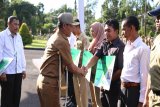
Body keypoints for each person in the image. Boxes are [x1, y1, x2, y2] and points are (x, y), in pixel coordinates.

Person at [36, 13, 85, 107]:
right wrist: (81, 71)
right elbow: (71, 67)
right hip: (49, 83)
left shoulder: (55, 36)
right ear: (65, 26)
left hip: (43, 81)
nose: (72, 29)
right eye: (71, 26)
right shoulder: (62, 41)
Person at [84, 19, 125, 107]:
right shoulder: (104, 44)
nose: (106, 33)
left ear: (116, 31)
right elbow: (95, 57)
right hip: (103, 84)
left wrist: (107, 82)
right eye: (105, 30)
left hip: (114, 87)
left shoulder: (121, 47)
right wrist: (86, 67)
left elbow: (120, 70)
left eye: (109, 30)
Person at [119, 16, 150, 107]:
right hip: (123, 89)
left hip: (134, 92)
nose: (122, 32)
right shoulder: (127, 46)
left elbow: (145, 76)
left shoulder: (143, 49)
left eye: (123, 29)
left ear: (132, 28)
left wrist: (141, 100)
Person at [0, 16, 26, 107]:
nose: (17, 26)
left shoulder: (19, 36)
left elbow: (21, 53)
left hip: (18, 71)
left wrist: (23, 69)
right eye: (15, 24)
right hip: (7, 72)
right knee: (7, 98)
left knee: (16, 97)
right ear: (8, 24)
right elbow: (0, 53)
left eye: (18, 24)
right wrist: (1, 71)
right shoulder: (2, 35)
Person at [143, 6, 160, 107]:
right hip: (153, 96)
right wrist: (146, 96)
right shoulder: (157, 39)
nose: (157, 20)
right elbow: (152, 70)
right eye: (157, 17)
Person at [71, 18, 90, 107]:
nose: (71, 30)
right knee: (77, 93)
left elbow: (86, 54)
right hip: (75, 69)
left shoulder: (84, 38)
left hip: (81, 70)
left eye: (73, 28)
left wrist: (83, 69)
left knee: (83, 94)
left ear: (77, 26)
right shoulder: (76, 38)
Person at [89, 22, 106, 107]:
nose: (92, 33)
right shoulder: (94, 41)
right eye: (91, 31)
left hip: (100, 74)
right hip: (93, 73)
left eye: (93, 31)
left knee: (101, 99)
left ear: (98, 31)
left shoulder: (104, 41)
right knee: (95, 97)